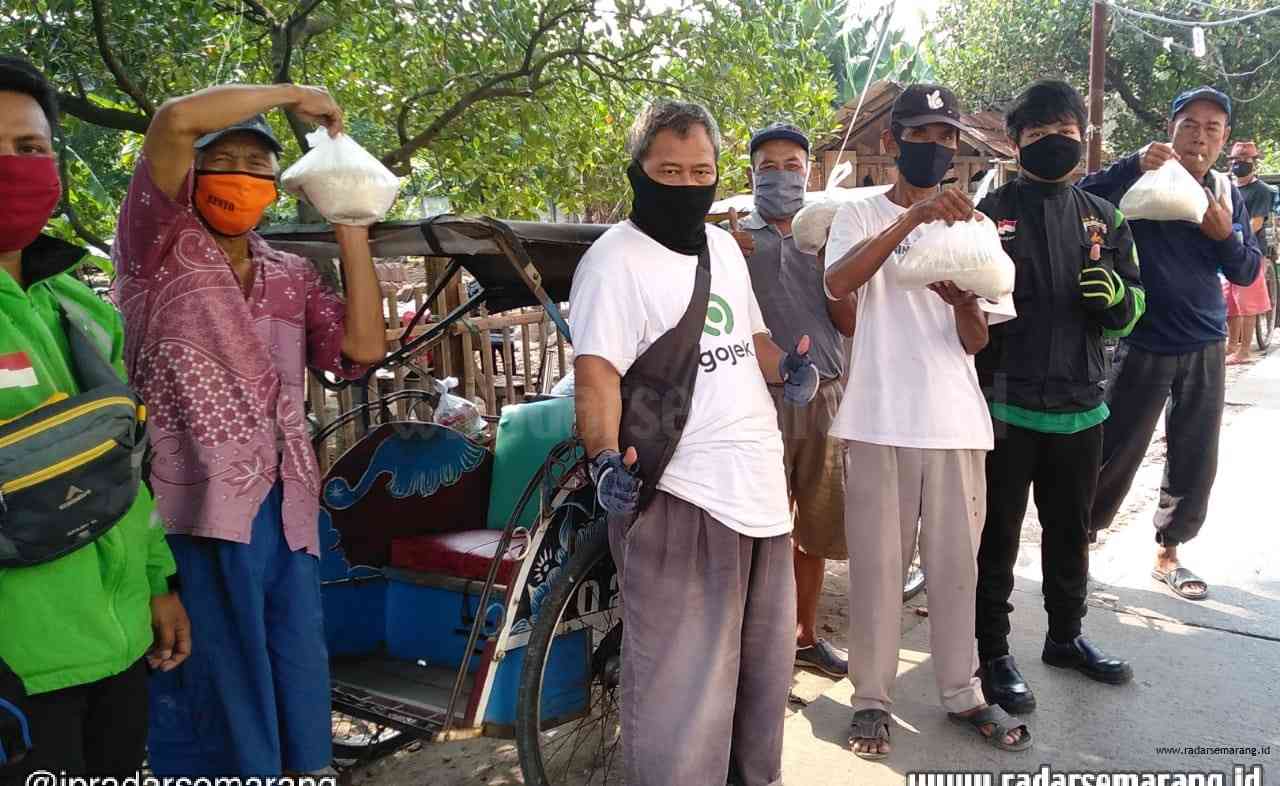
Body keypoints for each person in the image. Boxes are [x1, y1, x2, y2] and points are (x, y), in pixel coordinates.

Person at [112, 84, 386, 775]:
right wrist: (297, 96)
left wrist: (351, 222)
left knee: (292, 668)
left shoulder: (290, 273)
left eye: (259, 164)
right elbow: (174, 119)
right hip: (188, 508)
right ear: (191, 175)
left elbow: (362, 348)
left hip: (287, 509)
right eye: (223, 158)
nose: (242, 174)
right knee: (212, 681)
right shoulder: (155, 248)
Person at [571, 99, 819, 786]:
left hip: (762, 497)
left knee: (757, 696)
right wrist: (600, 456)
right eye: (669, 169)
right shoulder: (613, 262)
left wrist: (789, 370)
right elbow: (596, 377)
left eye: (700, 170)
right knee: (683, 707)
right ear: (638, 171)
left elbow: (750, 341)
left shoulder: (719, 248)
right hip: (681, 499)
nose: (686, 184)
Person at [823, 83, 1030, 759]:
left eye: (945, 139)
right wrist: (913, 220)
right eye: (921, 137)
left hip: (954, 424)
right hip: (880, 418)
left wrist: (961, 303)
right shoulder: (856, 212)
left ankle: (962, 691)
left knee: (955, 571)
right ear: (891, 143)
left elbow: (977, 339)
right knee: (879, 571)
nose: (934, 150)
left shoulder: (973, 228)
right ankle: (871, 701)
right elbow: (838, 286)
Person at [0, 55, 188, 781]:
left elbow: (124, 471)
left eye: (29, 148)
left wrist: (157, 585)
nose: (13, 166)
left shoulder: (84, 313)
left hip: (116, 647)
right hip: (18, 672)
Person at [972, 81, 1144, 716]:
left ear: (1084, 137)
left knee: (1070, 533)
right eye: (1039, 134)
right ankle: (991, 651)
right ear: (1016, 144)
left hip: (1081, 406)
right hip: (1005, 405)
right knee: (997, 535)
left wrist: (1118, 302)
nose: (1054, 143)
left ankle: (1065, 637)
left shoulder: (1106, 216)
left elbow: (1134, 306)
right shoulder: (989, 212)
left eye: (1065, 132)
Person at [1081, 87, 1262, 601]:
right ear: (1171, 128)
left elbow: (1246, 269)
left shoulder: (1227, 191)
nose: (1199, 137)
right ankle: (1080, 540)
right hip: (1142, 338)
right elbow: (1084, 199)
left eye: (1212, 128)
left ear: (1224, 139)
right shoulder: (1142, 176)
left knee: (1195, 453)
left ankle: (1169, 551)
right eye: (1190, 125)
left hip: (1205, 338)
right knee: (1115, 447)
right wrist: (1130, 165)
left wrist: (1224, 233)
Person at [728, 122, 855, 679]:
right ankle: (752, 649)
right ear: (752, 175)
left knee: (816, 529)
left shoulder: (829, 234)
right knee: (756, 526)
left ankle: (804, 635)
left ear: (811, 174)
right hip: (751, 399)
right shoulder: (731, 240)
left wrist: (835, 258)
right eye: (768, 167)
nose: (780, 175)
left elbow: (848, 316)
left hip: (825, 394)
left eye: (792, 166)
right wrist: (730, 258)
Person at [1223, 140, 1274, 364]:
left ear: (1254, 163)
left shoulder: (1261, 190)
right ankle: (1231, 344)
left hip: (1250, 251)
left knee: (1247, 302)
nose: (1239, 164)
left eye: (1245, 161)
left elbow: (1256, 222)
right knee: (1230, 301)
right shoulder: (1226, 186)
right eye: (1235, 161)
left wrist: (1229, 233)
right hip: (1227, 250)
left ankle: (1244, 350)